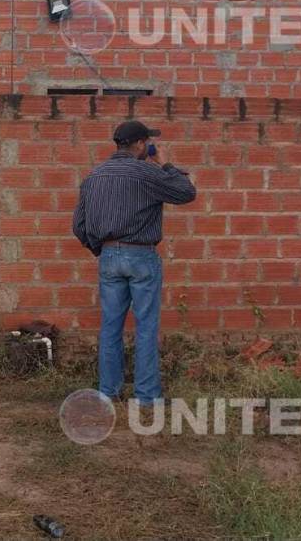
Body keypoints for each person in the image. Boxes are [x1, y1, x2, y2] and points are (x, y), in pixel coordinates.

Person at [72, 120, 197, 406]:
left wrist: (100, 249)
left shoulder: (94, 176)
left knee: (110, 327)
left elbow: (78, 224)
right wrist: (164, 164)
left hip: (109, 256)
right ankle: (147, 397)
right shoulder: (148, 173)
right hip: (141, 256)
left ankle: (108, 392)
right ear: (141, 144)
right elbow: (187, 192)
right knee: (146, 327)